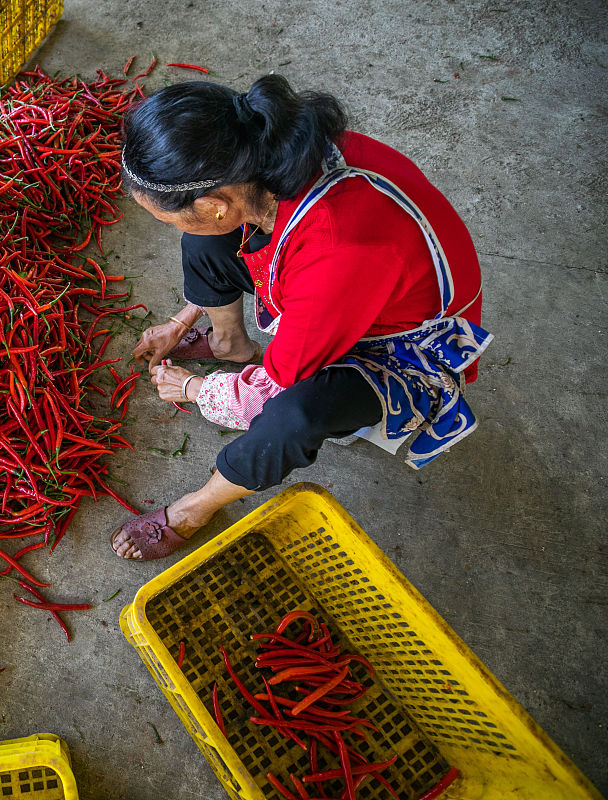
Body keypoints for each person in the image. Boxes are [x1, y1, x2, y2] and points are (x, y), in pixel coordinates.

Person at [110, 75, 492, 561]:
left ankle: (196, 508)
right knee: (203, 241)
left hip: (402, 340)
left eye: (174, 215)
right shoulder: (278, 150)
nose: (174, 224)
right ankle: (229, 344)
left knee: (290, 418)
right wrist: (183, 320)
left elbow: (267, 389)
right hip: (356, 290)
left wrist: (191, 389)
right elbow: (222, 236)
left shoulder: (339, 247)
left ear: (215, 203)